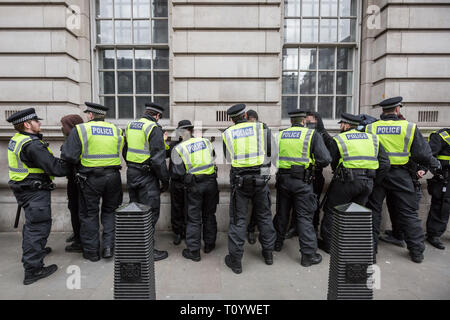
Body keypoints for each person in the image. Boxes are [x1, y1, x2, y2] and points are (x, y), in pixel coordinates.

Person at [365, 96, 440, 263]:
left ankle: (370, 252)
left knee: (373, 212)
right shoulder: (409, 127)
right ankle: (416, 252)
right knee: (408, 213)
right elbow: (422, 154)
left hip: (378, 174)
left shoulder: (371, 128)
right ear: (397, 110)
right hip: (401, 175)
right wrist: (434, 164)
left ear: (383, 111)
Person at [7, 108, 68, 285]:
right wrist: (67, 157)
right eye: (36, 121)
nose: (39, 123)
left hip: (24, 188)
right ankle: (33, 270)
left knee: (32, 226)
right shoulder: (32, 144)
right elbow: (55, 169)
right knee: (38, 228)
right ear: (27, 124)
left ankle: (35, 252)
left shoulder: (17, 139)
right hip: (34, 191)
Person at [318, 113, 390, 255]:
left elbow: (332, 160)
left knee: (332, 211)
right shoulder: (373, 138)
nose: (340, 126)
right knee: (356, 214)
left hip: (346, 181)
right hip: (367, 182)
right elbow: (385, 163)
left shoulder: (340, 139)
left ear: (347, 125)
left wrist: (338, 172)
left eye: (341, 124)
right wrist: (374, 181)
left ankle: (329, 245)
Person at [61, 102, 124, 262]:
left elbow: (69, 156)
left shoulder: (81, 129)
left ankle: (92, 252)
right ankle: (108, 247)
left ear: (90, 115)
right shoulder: (116, 130)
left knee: (89, 214)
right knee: (110, 211)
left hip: (90, 178)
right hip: (113, 177)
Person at [272, 109, 331, 266]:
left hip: (283, 180)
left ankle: (276, 244)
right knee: (304, 217)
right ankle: (308, 255)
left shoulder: (281, 135)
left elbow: (272, 156)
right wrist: (312, 164)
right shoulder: (312, 135)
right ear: (304, 121)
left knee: (282, 213)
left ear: (291, 121)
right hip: (302, 181)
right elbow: (325, 159)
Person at [222, 103, 276, 274]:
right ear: (245, 115)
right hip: (260, 180)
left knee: (238, 221)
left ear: (232, 119)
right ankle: (268, 255)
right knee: (265, 217)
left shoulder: (228, 133)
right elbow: (272, 153)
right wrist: (265, 175)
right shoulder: (262, 128)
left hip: (240, 182)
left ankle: (236, 262)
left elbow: (228, 157)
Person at [123, 102, 170, 261]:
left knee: (135, 211)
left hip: (132, 173)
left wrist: (132, 165)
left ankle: (135, 248)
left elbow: (125, 150)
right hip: (147, 177)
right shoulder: (153, 128)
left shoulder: (130, 125)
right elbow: (158, 160)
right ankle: (147, 251)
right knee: (149, 213)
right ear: (156, 116)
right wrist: (165, 180)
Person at [171, 121, 219, 261]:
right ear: (191, 131)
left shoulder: (179, 148)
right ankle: (209, 244)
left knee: (193, 218)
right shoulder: (205, 142)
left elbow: (178, 172)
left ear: (180, 133)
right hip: (211, 183)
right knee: (209, 214)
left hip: (194, 185)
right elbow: (213, 157)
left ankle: (194, 251)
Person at [284, 111, 331, 239]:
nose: (308, 123)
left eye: (310, 121)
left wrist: (314, 165)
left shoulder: (323, 136)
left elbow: (327, 157)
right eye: (306, 121)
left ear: (317, 121)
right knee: (296, 204)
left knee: (313, 205)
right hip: (302, 176)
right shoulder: (306, 134)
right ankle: (295, 227)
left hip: (314, 175)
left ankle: (313, 229)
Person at [60, 115, 85, 253]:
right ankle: (77, 234)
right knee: (74, 209)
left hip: (78, 180)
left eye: (64, 125)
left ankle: (79, 240)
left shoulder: (75, 138)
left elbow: (70, 158)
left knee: (77, 209)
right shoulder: (70, 137)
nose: (62, 128)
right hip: (74, 179)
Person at [425, 128, 450, 250]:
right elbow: (429, 155)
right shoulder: (442, 136)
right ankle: (434, 235)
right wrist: (437, 172)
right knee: (441, 207)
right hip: (444, 179)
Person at [167, 121, 190, 246]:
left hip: (189, 182)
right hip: (176, 182)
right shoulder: (173, 145)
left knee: (188, 209)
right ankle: (177, 232)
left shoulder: (193, 144)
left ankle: (187, 232)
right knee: (176, 209)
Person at [245, 109, 261, 245]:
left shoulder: (262, 131)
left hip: (258, 174)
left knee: (257, 207)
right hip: (243, 175)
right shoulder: (242, 132)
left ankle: (251, 230)